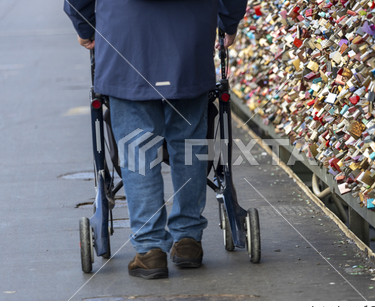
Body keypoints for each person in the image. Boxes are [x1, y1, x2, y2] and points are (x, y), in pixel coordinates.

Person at [64, 0, 247, 279]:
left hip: (125, 41)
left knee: (138, 148)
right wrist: (228, 22)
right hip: (190, 42)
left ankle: (149, 249)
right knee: (189, 145)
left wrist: (85, 27)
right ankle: (187, 239)